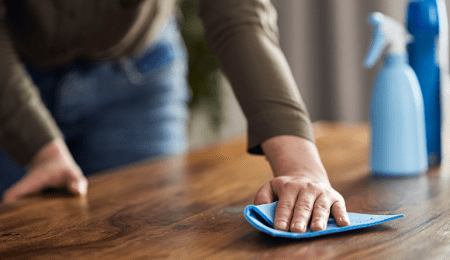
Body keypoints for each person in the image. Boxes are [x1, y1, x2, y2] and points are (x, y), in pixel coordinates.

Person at [0, 0, 350, 233]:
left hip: (138, 74)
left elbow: (238, 13)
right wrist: (37, 145)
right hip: (11, 78)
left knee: (151, 237)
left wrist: (302, 167)